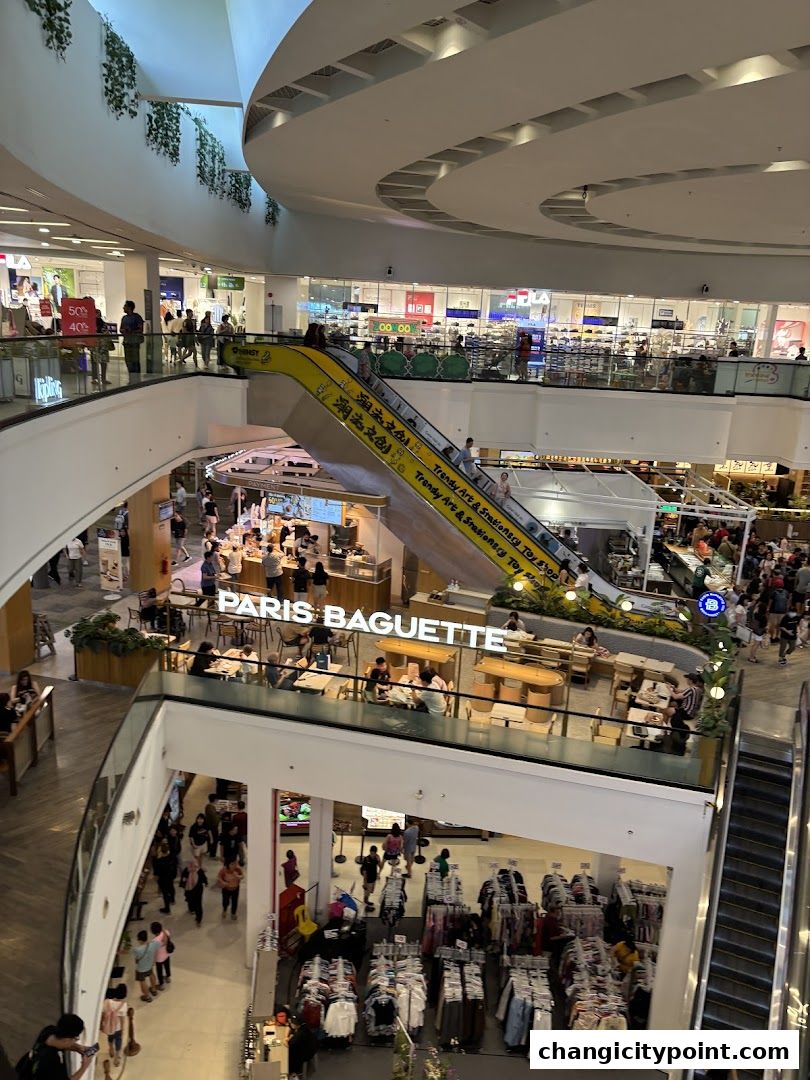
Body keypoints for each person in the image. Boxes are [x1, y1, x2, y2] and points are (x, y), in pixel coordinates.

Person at [19, 1014, 93, 1080]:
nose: (75, 1041)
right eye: (76, 1039)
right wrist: (84, 1066)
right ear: (67, 1039)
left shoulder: (49, 1030)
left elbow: (62, 1043)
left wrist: (78, 1048)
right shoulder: (52, 1063)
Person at [100, 986, 127, 1067]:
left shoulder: (107, 1002)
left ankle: (111, 1049)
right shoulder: (123, 1005)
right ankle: (117, 1057)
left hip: (108, 1027)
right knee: (118, 1041)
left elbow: (103, 1014)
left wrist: (101, 1024)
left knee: (110, 1037)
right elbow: (122, 1020)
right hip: (117, 1028)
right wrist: (123, 1029)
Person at [180, 856, 208, 925]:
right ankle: (192, 909)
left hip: (198, 890)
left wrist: (206, 883)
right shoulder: (186, 870)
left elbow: (204, 878)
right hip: (189, 889)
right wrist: (183, 884)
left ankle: (199, 919)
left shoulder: (199, 871)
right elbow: (183, 878)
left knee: (198, 904)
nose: (193, 866)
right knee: (190, 900)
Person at [120, 300, 144, 378]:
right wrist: (124, 330)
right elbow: (121, 329)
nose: (123, 308)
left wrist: (131, 331)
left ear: (129, 307)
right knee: (128, 361)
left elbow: (140, 329)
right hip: (127, 342)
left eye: (125, 306)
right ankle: (131, 376)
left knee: (135, 360)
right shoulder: (124, 318)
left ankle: (136, 377)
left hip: (134, 342)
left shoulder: (137, 317)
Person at [133, 929, 159, 1002]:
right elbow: (160, 944)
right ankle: (154, 989)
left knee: (142, 981)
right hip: (150, 965)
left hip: (141, 968)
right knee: (151, 975)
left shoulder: (137, 950)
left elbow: (136, 959)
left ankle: (147, 996)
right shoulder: (153, 944)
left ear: (139, 939)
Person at [153, 840, 177, 914]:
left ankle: (167, 909)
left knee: (165, 893)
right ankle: (172, 900)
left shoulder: (159, 861)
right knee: (171, 888)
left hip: (163, 879)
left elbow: (156, 873)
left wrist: (156, 879)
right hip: (171, 877)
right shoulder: (172, 857)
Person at [150, 921, 172, 988]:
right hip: (167, 954)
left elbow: (154, 951)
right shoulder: (166, 932)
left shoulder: (155, 941)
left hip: (159, 958)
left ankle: (161, 984)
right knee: (167, 966)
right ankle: (168, 977)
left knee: (159, 971)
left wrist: (153, 961)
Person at [360, 845, 382, 910]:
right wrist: (365, 882)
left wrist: (379, 860)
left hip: (373, 877)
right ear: (370, 852)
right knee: (367, 891)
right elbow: (364, 871)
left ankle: (366, 901)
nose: (372, 854)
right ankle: (365, 902)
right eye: (371, 853)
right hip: (368, 878)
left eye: (374, 853)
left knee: (370, 891)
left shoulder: (376, 858)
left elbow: (380, 866)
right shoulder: (366, 859)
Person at [204, 792, 220, 857]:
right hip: (212, 828)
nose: (218, 801)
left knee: (210, 839)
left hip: (209, 827)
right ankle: (212, 854)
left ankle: (209, 850)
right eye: (217, 800)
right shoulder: (211, 808)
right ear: (215, 800)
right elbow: (215, 821)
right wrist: (220, 815)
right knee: (214, 841)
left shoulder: (208, 806)